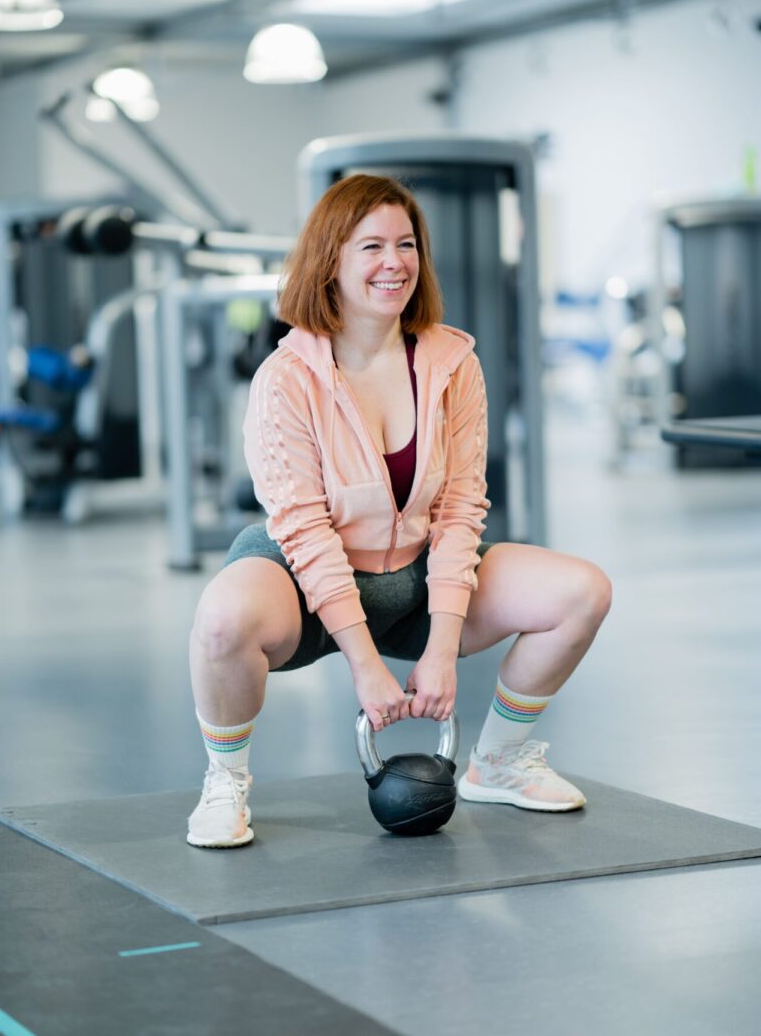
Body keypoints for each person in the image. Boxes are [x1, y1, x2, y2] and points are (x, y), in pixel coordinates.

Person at [186, 174, 612, 848]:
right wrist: (364, 663)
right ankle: (224, 781)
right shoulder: (286, 378)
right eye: (373, 246)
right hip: (304, 580)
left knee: (581, 591)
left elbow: (460, 509)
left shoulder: (451, 363)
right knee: (220, 619)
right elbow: (305, 531)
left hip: (417, 575)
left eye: (407, 244)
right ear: (330, 259)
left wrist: (442, 647)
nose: (395, 262)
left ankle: (499, 761)